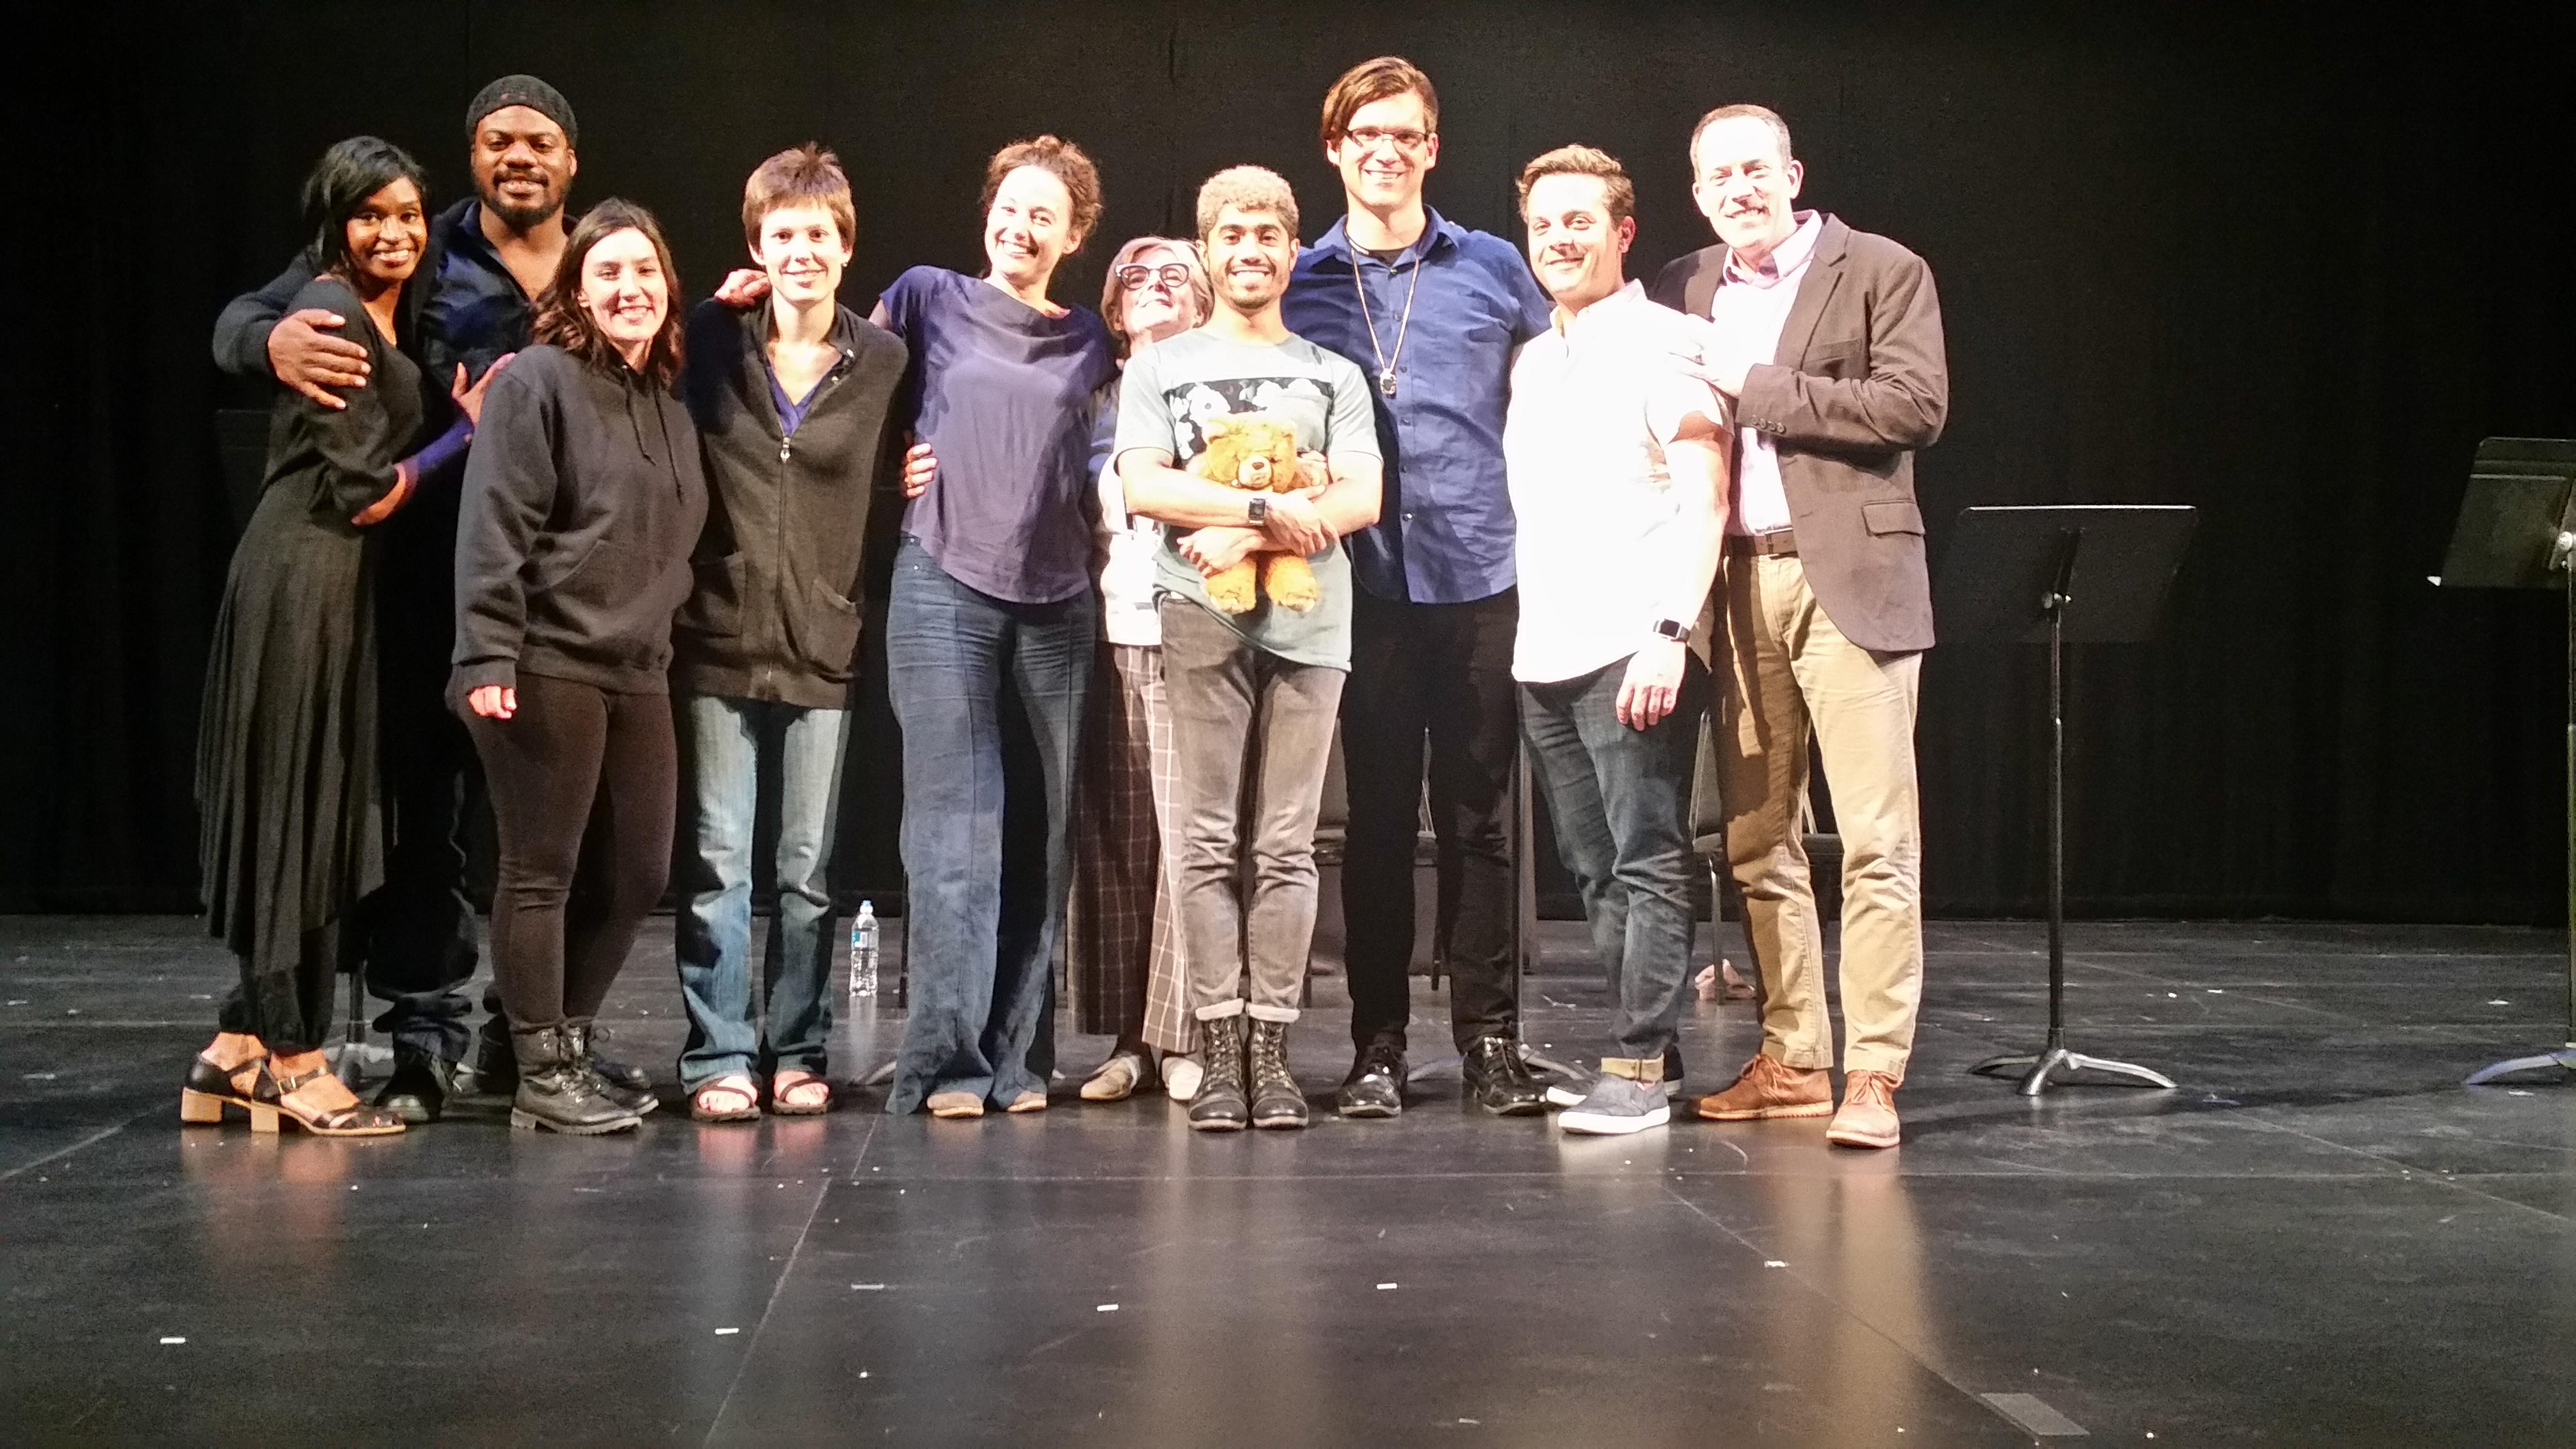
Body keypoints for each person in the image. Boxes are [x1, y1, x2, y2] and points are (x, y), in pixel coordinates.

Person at [205, 76, 638, 1121]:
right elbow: (249, 315)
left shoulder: (604, 261)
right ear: (474, 157)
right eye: (497, 141)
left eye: (539, 141)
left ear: (572, 160)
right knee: (422, 823)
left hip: (566, 590)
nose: (518, 157)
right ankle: (422, 1039)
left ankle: (526, 1035)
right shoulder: (420, 243)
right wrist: (265, 344)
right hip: (428, 581)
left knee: (561, 829)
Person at [1647, 104, 1948, 1149]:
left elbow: (1913, 408)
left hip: (1849, 577)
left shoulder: (1881, 268)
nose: (1739, 190)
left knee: (1876, 841)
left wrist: (1757, 387)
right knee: (1755, 838)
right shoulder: (1683, 285)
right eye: (1717, 177)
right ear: (1697, 194)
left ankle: (1874, 1073)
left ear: (1793, 174)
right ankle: (1794, 1058)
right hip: (1735, 583)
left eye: (1754, 170)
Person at [187, 137, 499, 1136]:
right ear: (336, 222)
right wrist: (462, 431)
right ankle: (294, 1062)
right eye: (371, 216)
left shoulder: (392, 295)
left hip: (338, 582)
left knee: (317, 808)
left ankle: (235, 1051)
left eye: (407, 214)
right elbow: (366, 493)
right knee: (302, 817)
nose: (394, 232)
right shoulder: (327, 311)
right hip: (307, 577)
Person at [1280, 57, 1556, 1119]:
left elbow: (1569, 378)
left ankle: (1490, 1043)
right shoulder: (1300, 277)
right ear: (1335, 150)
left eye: (1405, 135)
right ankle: (1378, 1048)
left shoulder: (1493, 266)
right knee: (1380, 826)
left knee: (1482, 821)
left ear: (1432, 149)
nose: (1385, 152)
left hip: (1484, 573)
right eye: (1366, 135)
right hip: (1364, 586)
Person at [1119, 165, 1384, 1131]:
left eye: (1268, 235)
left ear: (1291, 249)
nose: (1250, 251)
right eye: (1232, 235)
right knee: (1202, 841)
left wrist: (1242, 527)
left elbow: (1361, 498)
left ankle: (1271, 1050)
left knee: (1286, 844)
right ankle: (1218, 1045)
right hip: (1201, 615)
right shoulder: (1159, 368)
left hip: (1311, 626)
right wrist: (1266, 513)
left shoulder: (1334, 373)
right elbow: (1146, 486)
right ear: (1207, 249)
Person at [872, 137, 1116, 1118]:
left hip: (1059, 600)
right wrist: (889, 461)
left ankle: (1019, 1059)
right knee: (953, 836)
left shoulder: (1089, 337)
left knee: (1041, 840)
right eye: (1008, 208)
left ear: (1073, 235)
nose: (1020, 227)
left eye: (1043, 216)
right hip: (943, 583)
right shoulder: (927, 296)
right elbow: (840, 383)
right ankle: (946, 1061)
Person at [453, 199, 708, 1135]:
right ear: (578, 291)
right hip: (542, 658)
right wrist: (486, 650)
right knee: (541, 872)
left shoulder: (669, 406)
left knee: (637, 873)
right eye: (608, 272)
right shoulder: (538, 381)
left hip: (637, 665)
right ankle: (541, 1069)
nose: (630, 288)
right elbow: (494, 523)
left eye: (645, 271)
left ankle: (528, 1043)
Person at [669, 145, 907, 1123]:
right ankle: (719, 1054)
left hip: (823, 640)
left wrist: (919, 469)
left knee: (806, 871)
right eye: (782, 235)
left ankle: (798, 1047)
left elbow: (905, 460)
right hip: (720, 634)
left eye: (817, 234)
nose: (801, 251)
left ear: (845, 246)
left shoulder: (883, 359)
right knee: (720, 862)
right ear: (756, 248)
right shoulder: (714, 342)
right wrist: (708, 310)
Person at [1502, 146, 1729, 1135]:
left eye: (1579, 221)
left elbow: (1706, 497)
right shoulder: (1534, 358)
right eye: (1543, 224)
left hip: (1634, 647)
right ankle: (1652, 1054)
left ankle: (1636, 1068)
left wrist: (1670, 633)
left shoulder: (1669, 344)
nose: (1559, 239)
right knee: (1593, 870)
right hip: (1545, 652)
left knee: (1647, 859)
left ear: (1622, 232)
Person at [1067, 238, 1216, 1102]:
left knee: (1187, 839)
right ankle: (1128, 1038)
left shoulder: (1219, 391)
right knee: (1115, 842)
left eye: (1174, 277)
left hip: (1191, 634)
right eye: (1136, 277)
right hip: (1098, 634)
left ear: (1203, 304)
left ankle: (1181, 1035)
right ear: (1114, 308)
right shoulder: (1092, 400)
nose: (1154, 287)